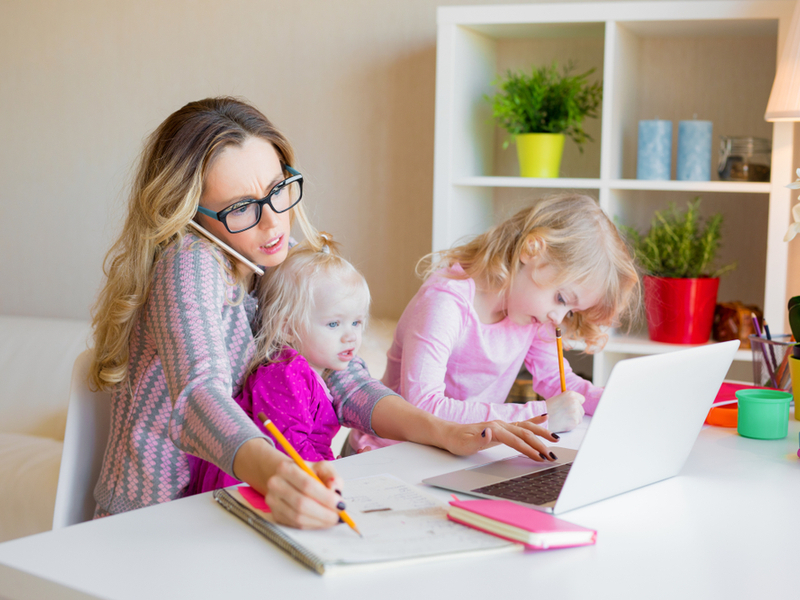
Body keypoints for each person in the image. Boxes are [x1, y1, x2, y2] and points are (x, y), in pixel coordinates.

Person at [89, 97, 559, 529]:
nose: (274, 223)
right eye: (240, 209)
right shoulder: (189, 260)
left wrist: (449, 432)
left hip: (226, 505)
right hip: (154, 520)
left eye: (278, 191)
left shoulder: (272, 254)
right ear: (191, 216)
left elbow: (347, 380)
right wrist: (277, 474)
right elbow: (199, 396)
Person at [349, 194, 640, 454]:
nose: (559, 318)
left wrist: (616, 401)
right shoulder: (446, 302)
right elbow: (423, 407)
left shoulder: (531, 313)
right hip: (388, 452)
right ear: (532, 250)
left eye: (571, 311)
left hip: (460, 451)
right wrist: (538, 415)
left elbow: (559, 382)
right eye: (562, 298)